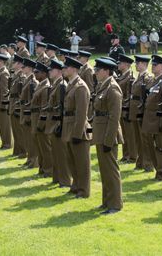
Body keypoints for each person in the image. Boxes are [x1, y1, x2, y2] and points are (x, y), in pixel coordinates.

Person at [92, 57, 123, 214]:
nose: (95, 72)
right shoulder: (103, 86)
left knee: (111, 170)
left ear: (106, 71)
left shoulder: (112, 88)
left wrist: (108, 140)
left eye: (98, 70)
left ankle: (115, 204)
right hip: (101, 133)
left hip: (107, 135)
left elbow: (114, 117)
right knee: (104, 170)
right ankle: (107, 201)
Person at [61, 56, 92, 199]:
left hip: (77, 127)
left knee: (81, 162)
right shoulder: (71, 84)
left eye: (66, 67)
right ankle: (76, 185)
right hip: (68, 125)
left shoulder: (80, 87)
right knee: (70, 160)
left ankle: (84, 190)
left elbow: (81, 113)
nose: (63, 69)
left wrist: (77, 133)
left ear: (73, 69)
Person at [141, 55, 162, 181]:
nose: (153, 67)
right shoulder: (153, 81)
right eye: (152, 64)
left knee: (161, 147)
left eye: (155, 65)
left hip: (158, 118)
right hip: (148, 117)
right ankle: (157, 169)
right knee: (150, 146)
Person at [45, 59, 71, 187]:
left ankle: (65, 180)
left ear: (59, 71)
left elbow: (62, 107)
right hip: (53, 123)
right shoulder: (55, 84)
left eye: (52, 69)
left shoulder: (61, 85)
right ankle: (57, 178)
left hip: (58, 124)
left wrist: (61, 125)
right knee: (55, 153)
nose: (49, 72)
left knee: (61, 154)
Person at [129, 55, 153, 171]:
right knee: (137, 139)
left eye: (138, 63)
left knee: (144, 139)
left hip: (141, 110)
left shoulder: (148, 78)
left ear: (144, 64)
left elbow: (146, 96)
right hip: (134, 110)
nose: (136, 65)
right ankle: (140, 162)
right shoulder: (138, 77)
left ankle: (148, 163)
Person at [31, 62, 52, 177]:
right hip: (35, 118)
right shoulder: (40, 85)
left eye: (37, 72)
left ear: (44, 74)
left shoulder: (46, 87)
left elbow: (44, 108)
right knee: (39, 146)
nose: (34, 74)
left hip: (40, 120)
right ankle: (42, 168)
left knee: (45, 147)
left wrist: (41, 123)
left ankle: (48, 169)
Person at [20, 58, 39, 168]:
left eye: (24, 67)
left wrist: (28, 115)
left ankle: (34, 160)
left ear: (30, 68)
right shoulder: (27, 80)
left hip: (29, 113)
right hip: (24, 111)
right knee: (27, 138)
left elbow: (32, 101)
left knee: (31, 139)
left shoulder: (33, 82)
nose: (22, 69)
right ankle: (29, 159)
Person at [116, 54, 135, 163]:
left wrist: (125, 107)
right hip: (121, 109)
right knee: (124, 134)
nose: (118, 64)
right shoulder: (121, 76)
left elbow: (129, 95)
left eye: (121, 63)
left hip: (126, 110)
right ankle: (126, 154)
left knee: (129, 134)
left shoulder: (130, 77)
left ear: (127, 64)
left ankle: (132, 156)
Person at [8, 54, 27, 158]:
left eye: (14, 62)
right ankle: (17, 150)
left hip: (16, 105)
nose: (12, 64)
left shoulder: (21, 76)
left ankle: (23, 152)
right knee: (15, 131)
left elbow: (21, 94)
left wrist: (18, 108)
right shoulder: (15, 75)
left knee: (19, 132)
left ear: (19, 64)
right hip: (12, 104)